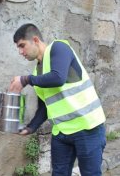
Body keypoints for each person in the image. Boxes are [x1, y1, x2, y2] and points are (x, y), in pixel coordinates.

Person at [9, 23, 106, 176]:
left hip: (87, 127)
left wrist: (25, 79)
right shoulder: (37, 71)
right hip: (61, 132)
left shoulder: (59, 48)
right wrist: (31, 127)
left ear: (35, 40)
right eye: (18, 48)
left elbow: (58, 77)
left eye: (22, 45)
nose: (21, 52)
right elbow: (45, 106)